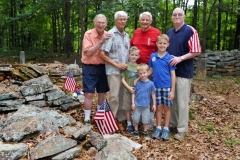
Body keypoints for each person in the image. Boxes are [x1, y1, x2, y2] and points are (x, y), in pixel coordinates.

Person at [167, 8, 201, 141]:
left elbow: (196, 51)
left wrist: (180, 58)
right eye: (174, 14)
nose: (177, 17)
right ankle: (173, 124)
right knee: (172, 100)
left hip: (183, 72)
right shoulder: (170, 32)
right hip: (170, 73)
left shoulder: (190, 30)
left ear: (184, 16)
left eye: (179, 14)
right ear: (172, 17)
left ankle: (182, 129)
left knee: (182, 102)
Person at [131, 11, 161, 130]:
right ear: (140, 21)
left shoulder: (156, 32)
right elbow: (132, 47)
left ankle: (148, 123)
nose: (144, 22)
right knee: (138, 94)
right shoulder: (136, 32)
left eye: (147, 20)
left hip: (150, 69)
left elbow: (160, 48)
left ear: (151, 21)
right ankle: (136, 121)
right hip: (137, 69)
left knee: (150, 95)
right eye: (142, 19)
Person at [81, 14, 112, 124]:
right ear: (94, 23)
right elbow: (88, 52)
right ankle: (87, 118)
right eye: (98, 22)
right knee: (89, 93)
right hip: (89, 67)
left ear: (106, 24)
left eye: (103, 23)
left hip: (103, 67)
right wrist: (101, 41)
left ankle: (99, 117)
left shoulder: (109, 34)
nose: (101, 24)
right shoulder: (88, 34)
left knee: (102, 92)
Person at [100, 11, 130, 122]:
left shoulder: (127, 36)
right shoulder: (110, 34)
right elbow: (102, 54)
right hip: (113, 71)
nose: (122, 21)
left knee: (123, 96)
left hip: (124, 72)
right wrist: (116, 64)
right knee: (114, 97)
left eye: (124, 19)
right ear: (115, 21)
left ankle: (121, 119)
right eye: (120, 19)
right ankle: (110, 120)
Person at [148, 34, 176, 140]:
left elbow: (173, 75)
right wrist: (141, 77)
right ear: (156, 44)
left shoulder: (170, 58)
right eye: (160, 43)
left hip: (167, 87)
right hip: (156, 87)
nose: (162, 45)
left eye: (164, 43)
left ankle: (166, 129)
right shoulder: (153, 56)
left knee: (167, 108)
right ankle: (158, 127)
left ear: (168, 45)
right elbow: (150, 70)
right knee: (158, 108)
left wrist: (172, 90)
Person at [132, 63, 156, 140]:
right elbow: (133, 93)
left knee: (145, 120)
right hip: (137, 105)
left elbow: (153, 94)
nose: (142, 75)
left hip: (146, 106)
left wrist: (154, 104)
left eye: (144, 73)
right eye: (140, 73)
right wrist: (133, 103)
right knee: (136, 119)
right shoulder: (137, 83)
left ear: (147, 72)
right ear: (138, 74)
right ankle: (136, 131)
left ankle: (145, 132)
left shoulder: (151, 84)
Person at [121, 46, 140, 133]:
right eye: (132, 55)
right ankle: (129, 124)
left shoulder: (139, 67)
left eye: (136, 55)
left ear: (138, 56)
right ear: (129, 55)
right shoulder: (126, 66)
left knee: (135, 108)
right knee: (128, 108)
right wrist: (128, 88)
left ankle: (135, 123)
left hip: (137, 93)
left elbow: (142, 77)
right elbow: (122, 79)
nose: (134, 57)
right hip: (127, 91)